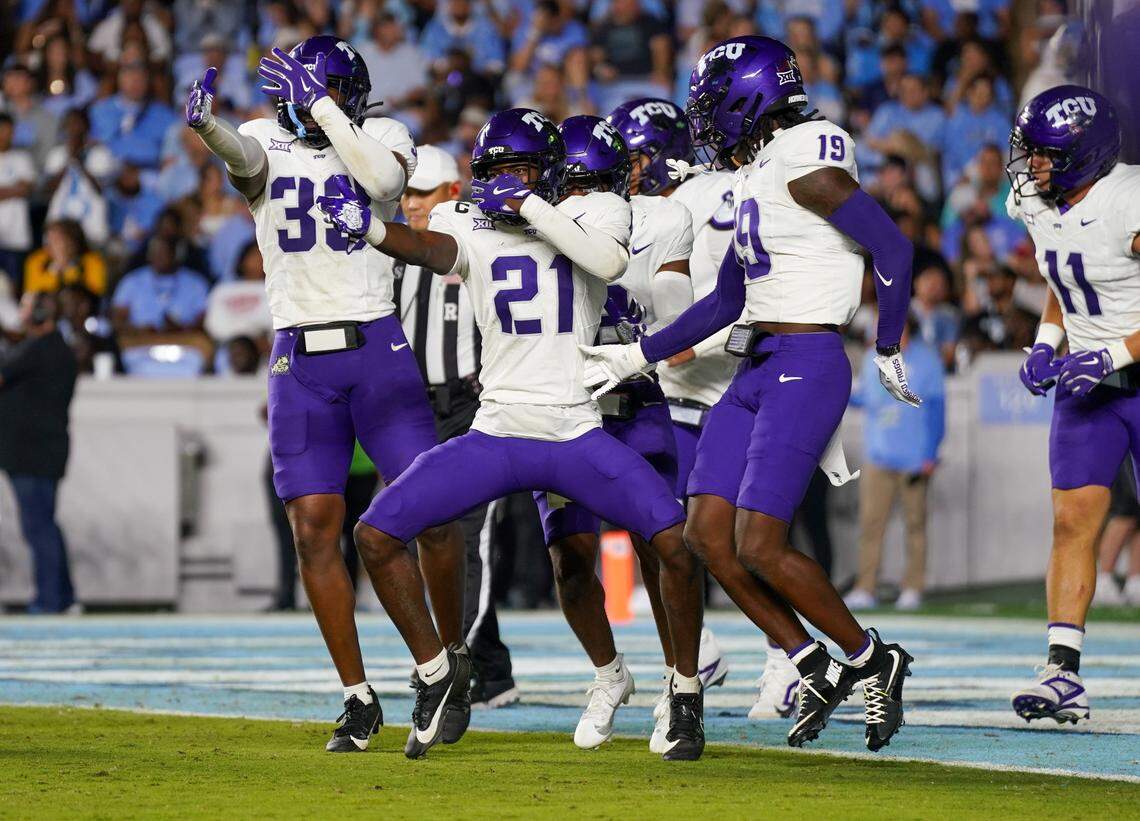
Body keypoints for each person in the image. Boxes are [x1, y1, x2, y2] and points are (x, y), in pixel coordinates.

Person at [319, 107, 707, 761]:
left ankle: (687, 689)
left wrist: (529, 200)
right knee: (375, 534)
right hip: (496, 431)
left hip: (575, 429)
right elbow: (430, 248)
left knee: (674, 539)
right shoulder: (468, 225)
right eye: (497, 172)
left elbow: (607, 260)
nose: (505, 183)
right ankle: (440, 670)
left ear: (551, 175)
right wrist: (369, 228)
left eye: (522, 170)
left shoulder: (599, 213)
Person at [582, 36, 917, 752]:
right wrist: (632, 356)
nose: (704, 119)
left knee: (759, 542)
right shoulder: (760, 171)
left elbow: (892, 247)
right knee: (706, 533)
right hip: (758, 360)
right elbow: (724, 303)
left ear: (749, 97)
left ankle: (871, 657)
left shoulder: (809, 152)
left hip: (809, 356)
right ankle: (808, 658)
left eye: (712, 103)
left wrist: (889, 342)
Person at [187, 34, 468, 755]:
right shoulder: (261, 135)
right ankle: (357, 693)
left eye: (325, 93)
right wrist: (209, 126)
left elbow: (378, 185)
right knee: (314, 524)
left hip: (376, 345)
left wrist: (325, 108)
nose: (309, 107)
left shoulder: (381, 133)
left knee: (429, 512)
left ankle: (450, 657)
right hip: (300, 355)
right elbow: (245, 160)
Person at [531, 114, 697, 752]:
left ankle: (683, 685)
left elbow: (675, 315)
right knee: (570, 562)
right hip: (563, 409)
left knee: (663, 550)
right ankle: (609, 675)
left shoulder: (659, 218)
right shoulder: (531, 220)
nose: (580, 197)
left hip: (634, 401)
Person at [1008, 84, 1140, 724]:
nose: (1032, 167)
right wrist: (1046, 341)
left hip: (1125, 371)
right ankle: (1063, 672)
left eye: (1045, 156)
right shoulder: (1039, 203)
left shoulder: (1128, 200)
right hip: (1088, 382)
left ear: (1085, 155)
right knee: (1071, 522)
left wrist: (1114, 353)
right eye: (1030, 153)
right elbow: (1066, 282)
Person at [394, 144, 519, 710]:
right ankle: (491, 667)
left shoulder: (480, 243)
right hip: (417, 410)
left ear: (451, 193)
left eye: (422, 192)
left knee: (468, 539)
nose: (410, 203)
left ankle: (453, 664)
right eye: (407, 192)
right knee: (434, 536)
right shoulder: (398, 254)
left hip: (474, 406)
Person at [846, 319, 946, 611]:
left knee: (915, 525)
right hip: (878, 455)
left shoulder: (928, 360)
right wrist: (839, 390)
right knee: (870, 525)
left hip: (915, 457)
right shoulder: (870, 358)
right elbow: (865, 398)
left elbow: (938, 408)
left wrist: (931, 453)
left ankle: (913, 587)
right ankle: (866, 588)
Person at [0, 292, 79, 613]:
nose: (21, 313)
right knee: (45, 524)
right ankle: (62, 595)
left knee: (38, 527)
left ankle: (49, 600)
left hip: (30, 451)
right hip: (43, 448)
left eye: (26, 307)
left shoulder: (39, 349)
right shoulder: (55, 349)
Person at [0, 112, 35, 292]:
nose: (4, 135)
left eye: (8, 131)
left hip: (16, 237)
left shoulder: (22, 158)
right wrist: (14, 189)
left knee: (13, 288)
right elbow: (19, 188)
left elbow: (27, 188)